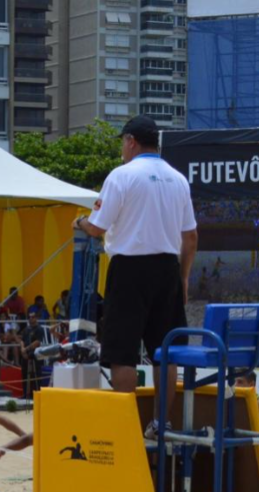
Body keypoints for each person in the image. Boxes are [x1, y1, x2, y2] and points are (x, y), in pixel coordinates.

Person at [75, 114, 197, 437]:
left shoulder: (122, 176)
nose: (122, 151)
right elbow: (192, 238)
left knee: (122, 351)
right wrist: (183, 278)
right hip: (168, 268)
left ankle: (126, 427)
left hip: (129, 268)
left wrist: (79, 223)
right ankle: (161, 423)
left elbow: (98, 227)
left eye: (122, 144)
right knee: (166, 351)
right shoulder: (179, 179)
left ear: (130, 141)